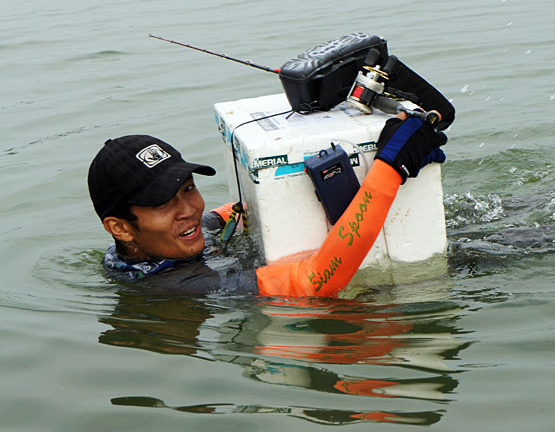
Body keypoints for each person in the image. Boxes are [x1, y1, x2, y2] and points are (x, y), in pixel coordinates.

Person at [88, 112, 447, 297]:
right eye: (164, 202)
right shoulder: (180, 286)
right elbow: (316, 281)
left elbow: (241, 210)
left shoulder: (171, 239)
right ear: (119, 227)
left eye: (187, 189)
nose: (189, 209)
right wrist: (388, 169)